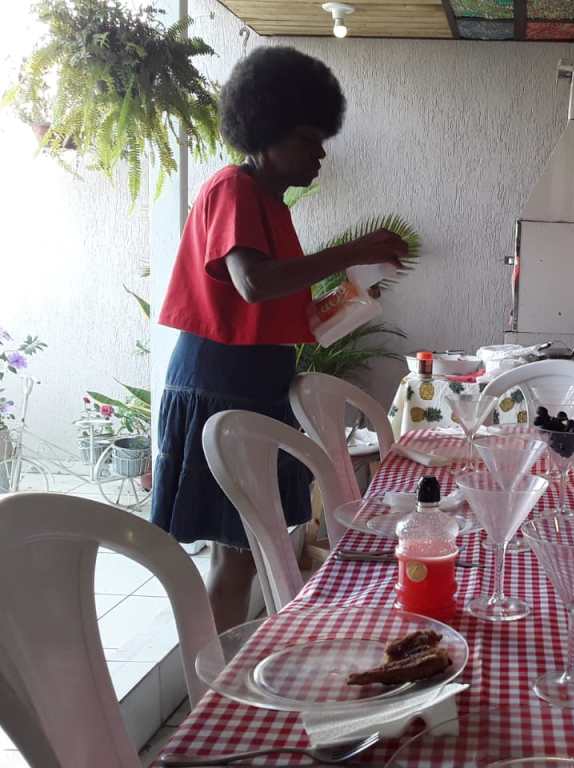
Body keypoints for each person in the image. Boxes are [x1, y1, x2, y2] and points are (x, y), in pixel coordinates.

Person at [152, 46, 407, 631]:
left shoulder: (268, 203)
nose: (320, 153)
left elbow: (284, 309)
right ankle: (215, 673)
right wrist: (353, 250)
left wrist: (353, 294)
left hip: (255, 383)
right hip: (222, 385)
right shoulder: (232, 188)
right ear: (264, 132)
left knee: (244, 551)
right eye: (308, 138)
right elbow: (255, 284)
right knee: (236, 553)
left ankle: (223, 664)